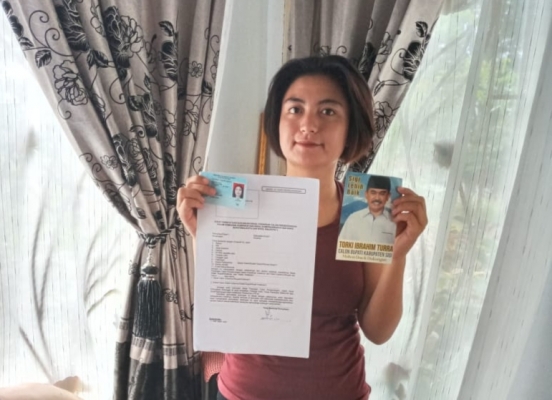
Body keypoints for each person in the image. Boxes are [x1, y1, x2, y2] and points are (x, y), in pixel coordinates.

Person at [176, 55, 427, 400]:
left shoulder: (365, 209)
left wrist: (398, 255)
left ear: (350, 128)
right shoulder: (237, 206)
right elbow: (225, 314)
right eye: (295, 109)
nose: (308, 125)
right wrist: (203, 235)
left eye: (328, 111)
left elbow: (378, 331)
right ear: (277, 122)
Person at [339, 175, 396, 244]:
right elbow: (341, 247)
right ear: (366, 194)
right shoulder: (353, 218)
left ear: (388, 196)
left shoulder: (394, 223)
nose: (377, 198)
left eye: (382, 193)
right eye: (373, 193)